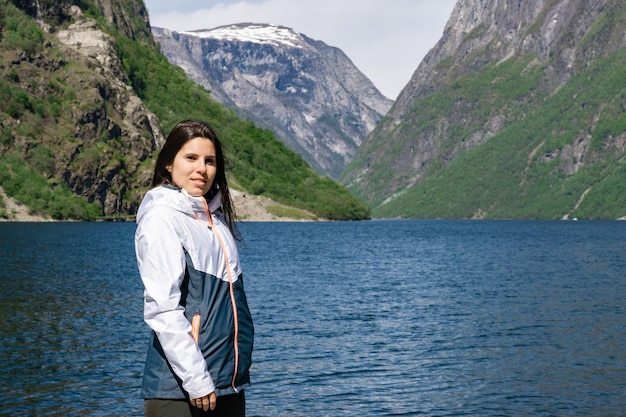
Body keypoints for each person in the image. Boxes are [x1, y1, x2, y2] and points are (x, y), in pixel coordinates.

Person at [135, 120, 254, 417]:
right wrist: (197, 380)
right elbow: (162, 309)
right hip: (181, 392)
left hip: (227, 385)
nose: (201, 168)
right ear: (168, 165)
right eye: (191, 158)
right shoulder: (162, 218)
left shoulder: (216, 221)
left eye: (210, 160)